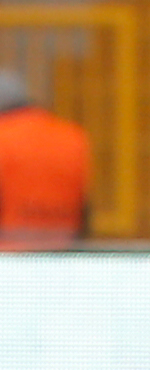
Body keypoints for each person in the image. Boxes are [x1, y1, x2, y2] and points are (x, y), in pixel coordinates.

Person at [0, 69, 91, 246]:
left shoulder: (3, 136)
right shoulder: (72, 136)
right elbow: (85, 205)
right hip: (63, 245)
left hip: (10, 249)